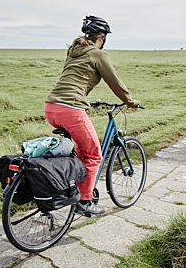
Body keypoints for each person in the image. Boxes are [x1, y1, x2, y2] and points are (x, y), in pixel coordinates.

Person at [44, 15, 140, 216]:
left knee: (80, 152)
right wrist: (130, 101)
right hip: (70, 109)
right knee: (94, 155)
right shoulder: (98, 54)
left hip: (51, 106)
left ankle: (71, 187)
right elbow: (115, 83)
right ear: (102, 37)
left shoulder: (73, 51)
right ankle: (84, 202)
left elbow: (74, 79)